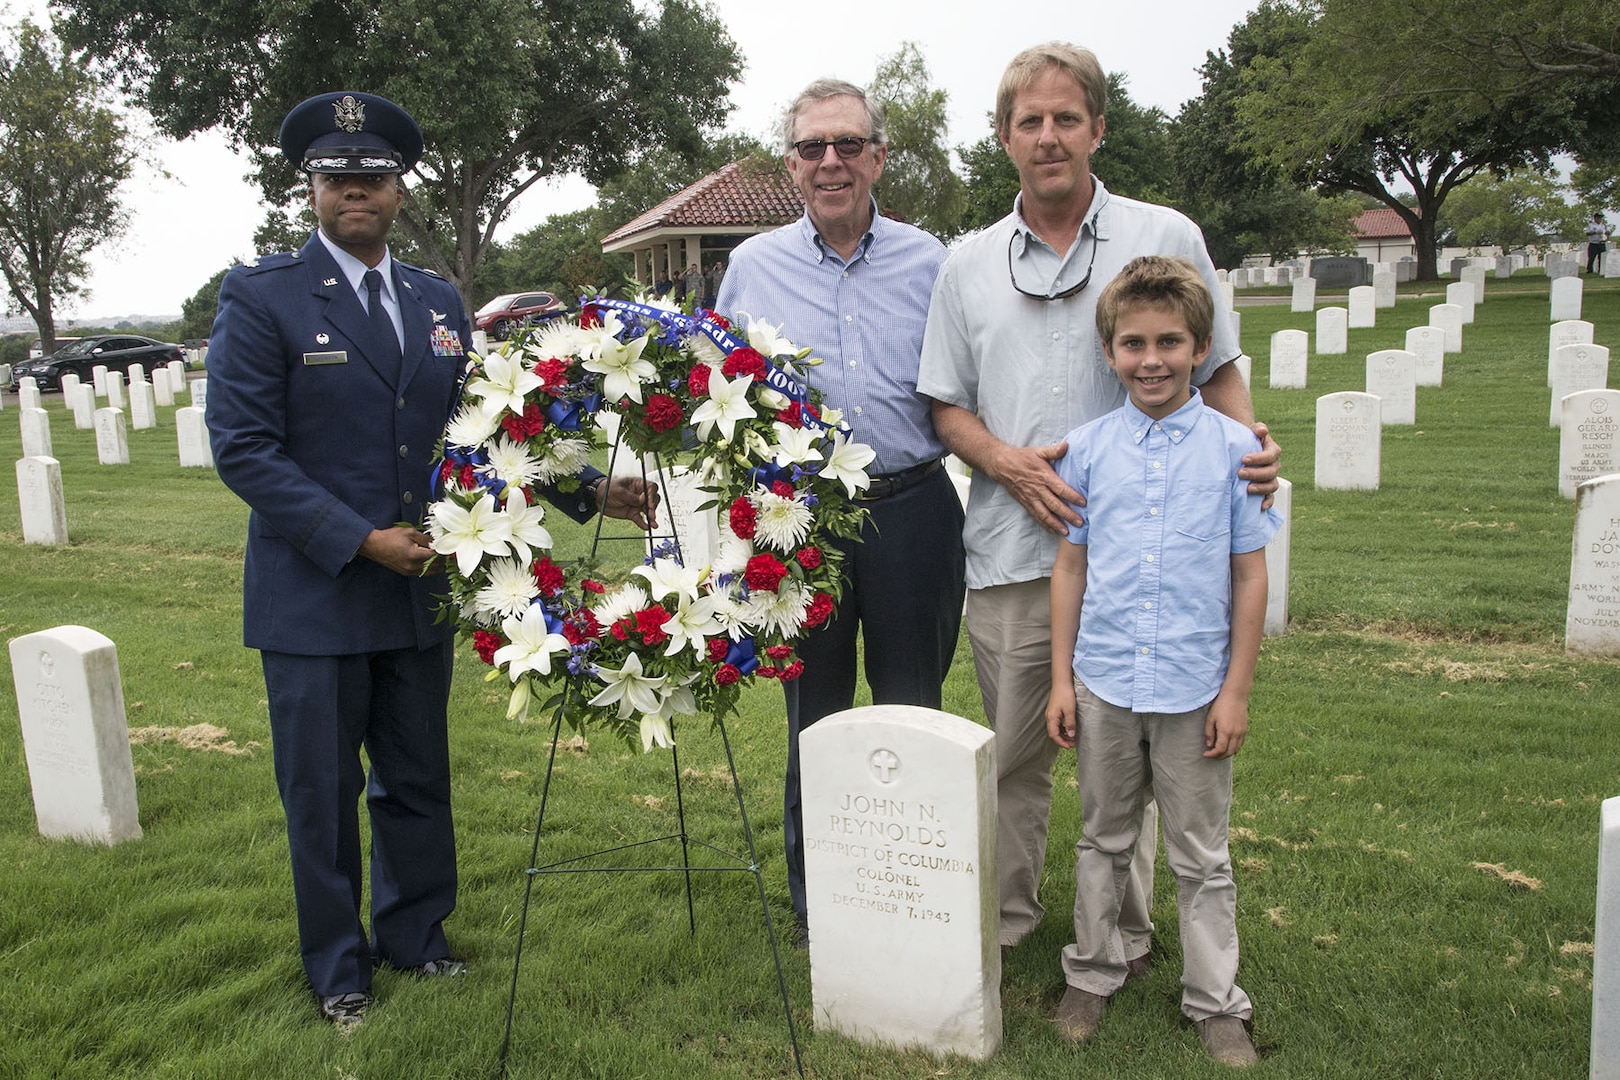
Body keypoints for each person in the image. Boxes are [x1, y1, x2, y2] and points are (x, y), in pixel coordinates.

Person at [205, 91, 658, 1028]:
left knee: (416, 777)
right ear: (314, 190)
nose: (355, 191)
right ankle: (339, 968)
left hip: (420, 591)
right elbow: (245, 448)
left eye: (371, 177)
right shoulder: (263, 297)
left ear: (399, 190)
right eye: (337, 178)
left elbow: (480, 431)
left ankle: (416, 937)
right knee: (322, 796)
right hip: (317, 594)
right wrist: (359, 539)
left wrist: (585, 491)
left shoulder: (433, 299)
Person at [916, 42, 1279, 967]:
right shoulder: (966, 265)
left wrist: (1253, 452)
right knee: (1016, 755)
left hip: (1146, 560)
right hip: (1011, 547)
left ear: (1098, 128)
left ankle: (1125, 930)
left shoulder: (1167, 234)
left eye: (1066, 118)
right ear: (1004, 137)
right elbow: (944, 402)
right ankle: (1010, 924)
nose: (1048, 137)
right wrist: (1009, 463)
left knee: (1143, 760)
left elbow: (1219, 363)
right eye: (1029, 121)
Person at [716, 78, 965, 939]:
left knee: (913, 707)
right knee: (812, 719)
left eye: (849, 145)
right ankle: (820, 904)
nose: (832, 162)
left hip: (915, 511)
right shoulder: (751, 267)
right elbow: (724, 400)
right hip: (802, 521)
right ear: (791, 164)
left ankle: (915, 889)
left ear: (878, 157)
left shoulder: (932, 260)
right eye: (814, 147)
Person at [1044, 255, 1274, 1066]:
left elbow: (1250, 575)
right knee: (1104, 836)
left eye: (1170, 342)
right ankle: (1094, 969)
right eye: (1134, 343)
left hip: (1193, 687)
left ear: (1200, 346)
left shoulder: (1234, 451)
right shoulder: (1091, 450)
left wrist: (1236, 691)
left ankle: (1216, 1000)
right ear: (1110, 352)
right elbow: (1070, 566)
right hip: (1105, 681)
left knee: (1199, 855)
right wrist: (1061, 678)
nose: (1151, 360)